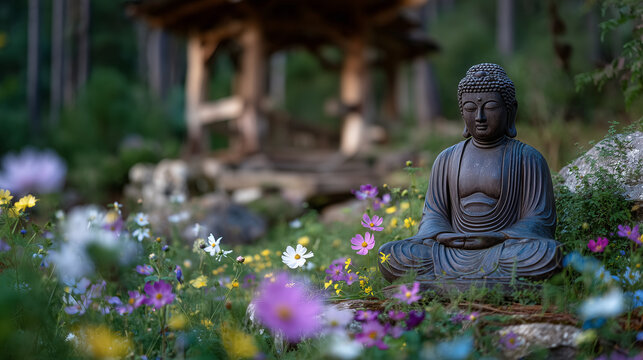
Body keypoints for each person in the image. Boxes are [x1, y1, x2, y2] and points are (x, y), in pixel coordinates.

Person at [379, 63, 561, 284]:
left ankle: (452, 281)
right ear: (461, 112)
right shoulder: (446, 159)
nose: (480, 117)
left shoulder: (528, 158)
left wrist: (499, 236)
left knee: (547, 252)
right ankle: (485, 280)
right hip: (449, 251)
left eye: (491, 106)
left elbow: (540, 220)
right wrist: (443, 235)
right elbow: (433, 216)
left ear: (510, 110)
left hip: (503, 247)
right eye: (470, 108)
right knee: (391, 253)